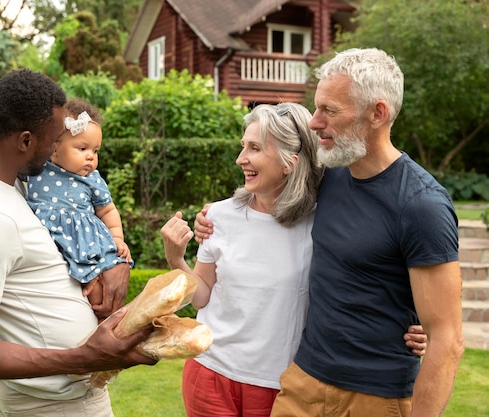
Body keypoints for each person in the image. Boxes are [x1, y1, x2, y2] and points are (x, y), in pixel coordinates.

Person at [195, 48, 463, 417]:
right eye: (316, 107)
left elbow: (446, 340)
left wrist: (421, 333)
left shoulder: (421, 205)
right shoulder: (328, 176)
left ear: (377, 113)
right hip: (303, 382)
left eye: (329, 111)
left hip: (375, 395)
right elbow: (271, 188)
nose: (315, 122)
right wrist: (214, 217)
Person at [162, 102, 427, 417]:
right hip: (209, 371)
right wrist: (175, 258)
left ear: (290, 162)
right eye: (243, 146)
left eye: (254, 148)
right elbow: (202, 295)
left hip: (280, 384)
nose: (240, 158)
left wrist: (411, 326)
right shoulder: (219, 215)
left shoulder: (323, 223)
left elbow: (368, 279)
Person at [0, 69, 155, 417]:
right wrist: (82, 358)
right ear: (25, 141)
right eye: (54, 140)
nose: (58, 152)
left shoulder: (10, 186)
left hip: (72, 398)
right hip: (47, 407)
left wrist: (112, 261)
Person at [26, 98, 133, 310]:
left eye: (95, 151)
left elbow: (108, 210)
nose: (90, 157)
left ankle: (107, 325)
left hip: (88, 245)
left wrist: (118, 239)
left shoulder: (92, 178)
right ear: (54, 149)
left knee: (100, 297)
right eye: (82, 148)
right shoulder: (36, 171)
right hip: (51, 245)